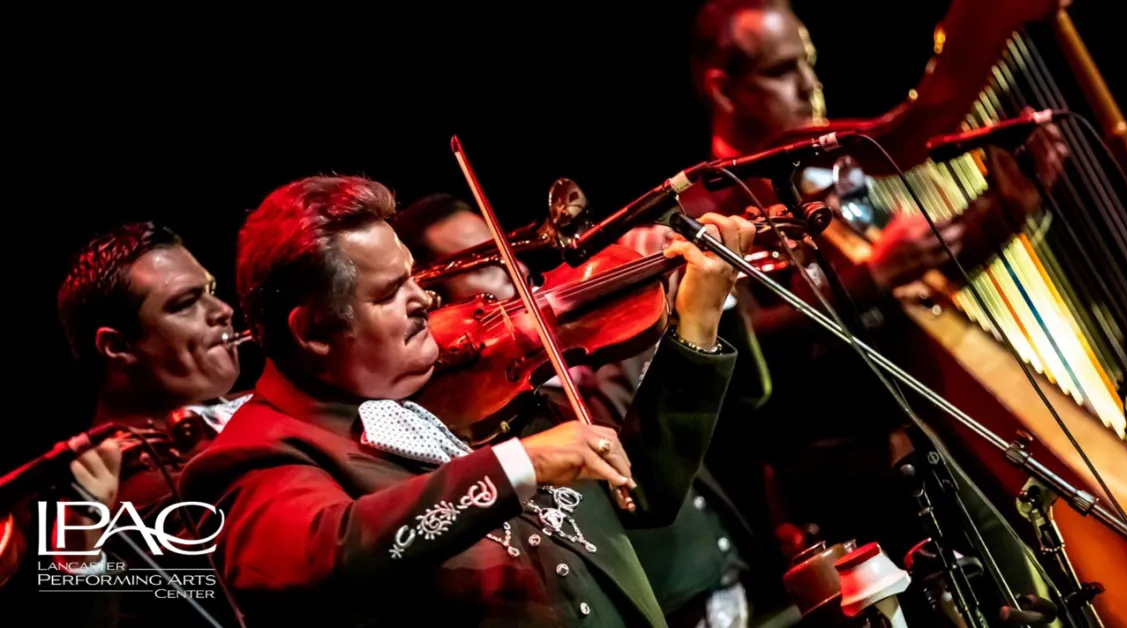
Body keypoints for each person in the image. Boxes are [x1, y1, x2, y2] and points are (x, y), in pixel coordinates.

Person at [179, 175, 755, 627]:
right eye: (389, 292)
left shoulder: (466, 388)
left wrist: (696, 322)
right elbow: (328, 554)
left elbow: (640, 494)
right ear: (312, 332)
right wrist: (518, 464)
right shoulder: (258, 458)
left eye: (411, 276)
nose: (423, 297)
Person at [683, 0, 1070, 624]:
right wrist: (872, 277)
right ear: (723, 88)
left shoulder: (825, 179)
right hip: (838, 493)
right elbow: (740, 343)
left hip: (922, 451)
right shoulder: (706, 209)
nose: (809, 84)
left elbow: (917, 286)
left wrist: (1003, 212)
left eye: (808, 61)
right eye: (784, 70)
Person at [395, 192, 785, 627]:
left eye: (504, 250)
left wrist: (710, 303)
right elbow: (628, 474)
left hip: (735, 572)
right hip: (665, 602)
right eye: (488, 262)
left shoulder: (584, 345)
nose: (519, 269)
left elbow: (746, 396)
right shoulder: (480, 415)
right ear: (433, 301)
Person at [0, 221, 246, 627]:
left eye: (211, 292)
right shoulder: (107, 503)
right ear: (117, 346)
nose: (223, 311)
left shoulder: (265, 402)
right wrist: (81, 557)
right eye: (185, 303)